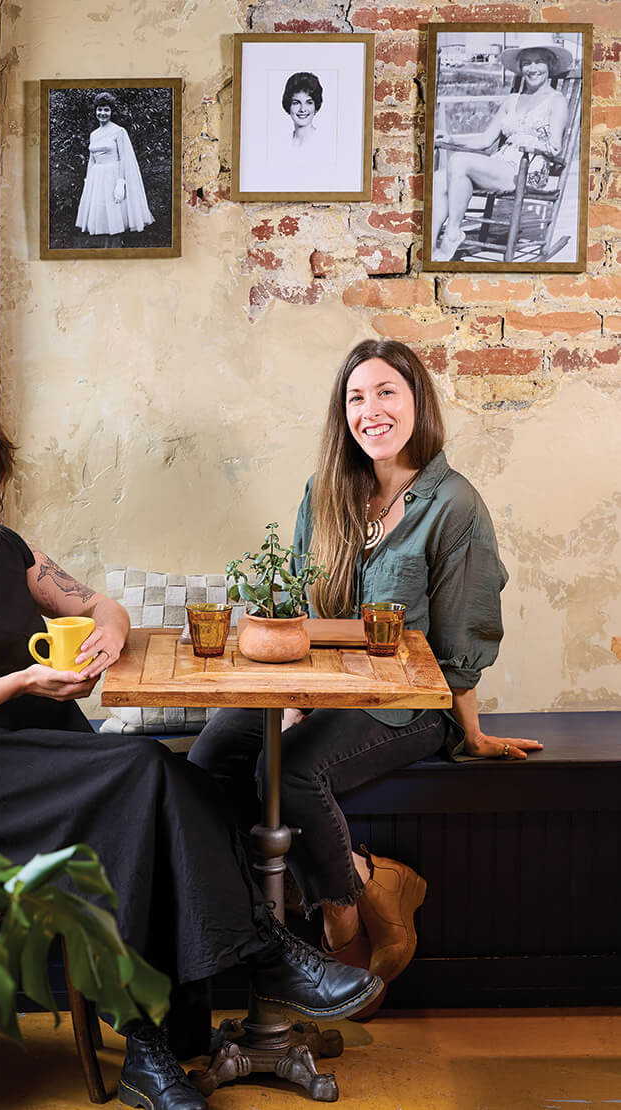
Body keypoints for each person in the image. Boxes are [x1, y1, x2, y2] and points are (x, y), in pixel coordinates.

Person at [0, 380, 383, 1110]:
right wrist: (21, 683)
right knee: (146, 772)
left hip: (50, 757)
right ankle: (266, 957)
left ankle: (151, 1046)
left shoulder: (10, 549)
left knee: (168, 787)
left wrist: (107, 629)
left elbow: (102, 602)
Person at [188, 339, 542, 1002]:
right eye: (356, 397)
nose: (370, 409)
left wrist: (473, 732)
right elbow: (291, 603)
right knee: (207, 763)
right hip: (309, 688)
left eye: (386, 393)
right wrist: (290, 698)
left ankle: (338, 939)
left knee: (284, 770)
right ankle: (372, 880)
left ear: (417, 404)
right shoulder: (324, 491)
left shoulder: (454, 506)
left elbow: (463, 637)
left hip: (404, 707)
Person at [431, 41, 572, 261]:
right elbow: (485, 139)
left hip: (528, 169)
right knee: (439, 179)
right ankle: (429, 250)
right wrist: (451, 138)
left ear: (550, 64)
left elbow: (555, 146)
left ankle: (452, 233)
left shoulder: (556, 101)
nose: (532, 68)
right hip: (500, 164)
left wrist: (530, 146)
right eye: (527, 63)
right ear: (520, 68)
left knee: (458, 162)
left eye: (539, 62)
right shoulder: (512, 100)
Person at [75, 91, 154, 239]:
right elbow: (92, 159)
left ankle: (116, 250)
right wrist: (88, 180)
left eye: (106, 109)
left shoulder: (119, 131)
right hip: (97, 179)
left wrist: (120, 183)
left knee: (115, 218)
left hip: (113, 176)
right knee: (101, 217)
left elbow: (124, 159)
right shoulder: (94, 134)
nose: (102, 113)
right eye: (99, 109)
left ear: (111, 111)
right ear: (95, 111)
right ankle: (105, 253)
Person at [281, 71, 324, 154]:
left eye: (309, 102)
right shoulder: (282, 144)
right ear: (289, 105)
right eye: (296, 103)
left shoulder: (324, 142)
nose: (302, 109)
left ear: (315, 106)